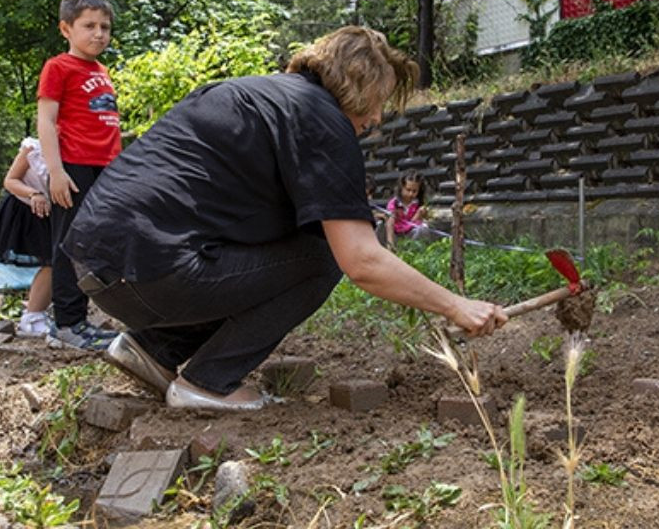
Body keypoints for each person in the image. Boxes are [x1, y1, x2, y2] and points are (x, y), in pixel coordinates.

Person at [61, 26, 508, 411]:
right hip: (149, 272)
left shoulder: (254, 94)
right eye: (378, 101)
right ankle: (207, 384)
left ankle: (153, 350)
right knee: (323, 258)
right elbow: (362, 261)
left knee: (280, 248)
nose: (375, 119)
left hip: (99, 267)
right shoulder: (323, 120)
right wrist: (455, 305)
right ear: (356, 85)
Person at [37, 0, 123, 350]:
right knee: (69, 244)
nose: (99, 33)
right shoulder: (58, 67)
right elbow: (46, 120)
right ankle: (68, 324)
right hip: (74, 168)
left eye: (105, 26)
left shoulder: (102, 70)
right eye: (89, 25)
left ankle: (85, 317)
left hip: (106, 169)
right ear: (66, 28)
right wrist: (56, 172)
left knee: (93, 243)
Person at [0, 138, 53, 337]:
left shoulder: (76, 148)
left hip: (51, 211)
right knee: (51, 262)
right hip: (27, 210)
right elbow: (10, 180)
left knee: (57, 263)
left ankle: (39, 310)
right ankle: (32, 317)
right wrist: (34, 194)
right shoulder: (33, 148)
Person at [384, 171, 431, 247]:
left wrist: (420, 215)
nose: (411, 194)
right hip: (397, 235)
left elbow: (412, 223)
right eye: (408, 190)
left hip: (411, 234)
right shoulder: (394, 203)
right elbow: (390, 223)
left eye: (414, 191)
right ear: (401, 187)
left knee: (424, 228)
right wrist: (390, 243)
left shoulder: (417, 204)